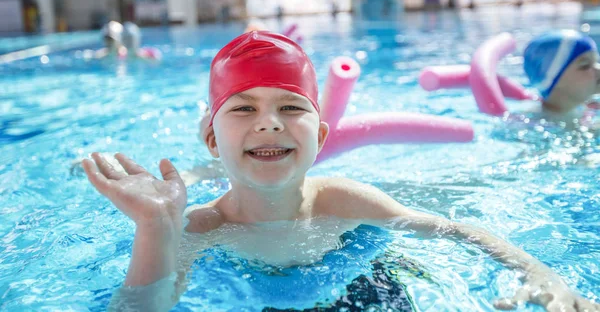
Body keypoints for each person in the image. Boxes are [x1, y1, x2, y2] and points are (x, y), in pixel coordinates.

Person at [82, 31, 599, 311]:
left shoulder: (343, 200)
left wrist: (540, 272)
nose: (268, 124)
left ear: (322, 137)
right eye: (243, 109)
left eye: (290, 108)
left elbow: (455, 231)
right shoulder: (199, 228)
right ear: (213, 140)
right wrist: (154, 227)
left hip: (361, 283)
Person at [524, 30, 600, 120]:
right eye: (585, 66)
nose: (598, 69)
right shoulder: (538, 123)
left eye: (597, 62)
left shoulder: (585, 108)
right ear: (554, 79)